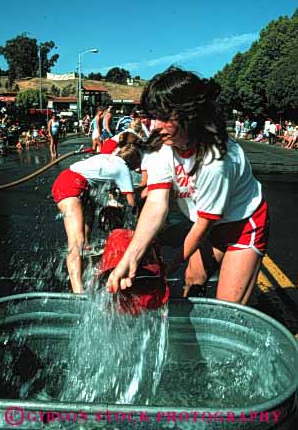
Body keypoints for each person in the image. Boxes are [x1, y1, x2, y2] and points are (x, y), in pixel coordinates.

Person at [107, 66, 270, 305]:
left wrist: (167, 269)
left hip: (243, 225)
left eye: (164, 117)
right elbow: (156, 204)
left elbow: (204, 224)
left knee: (228, 306)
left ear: (188, 115)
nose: (154, 126)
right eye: (153, 116)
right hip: (212, 225)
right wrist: (130, 257)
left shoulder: (217, 160)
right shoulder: (162, 144)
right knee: (193, 279)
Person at [51, 144, 142, 294]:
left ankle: (88, 272)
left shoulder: (109, 158)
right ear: (134, 161)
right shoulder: (123, 168)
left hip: (77, 186)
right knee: (76, 242)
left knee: (85, 242)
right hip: (69, 187)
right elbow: (131, 202)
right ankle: (78, 291)